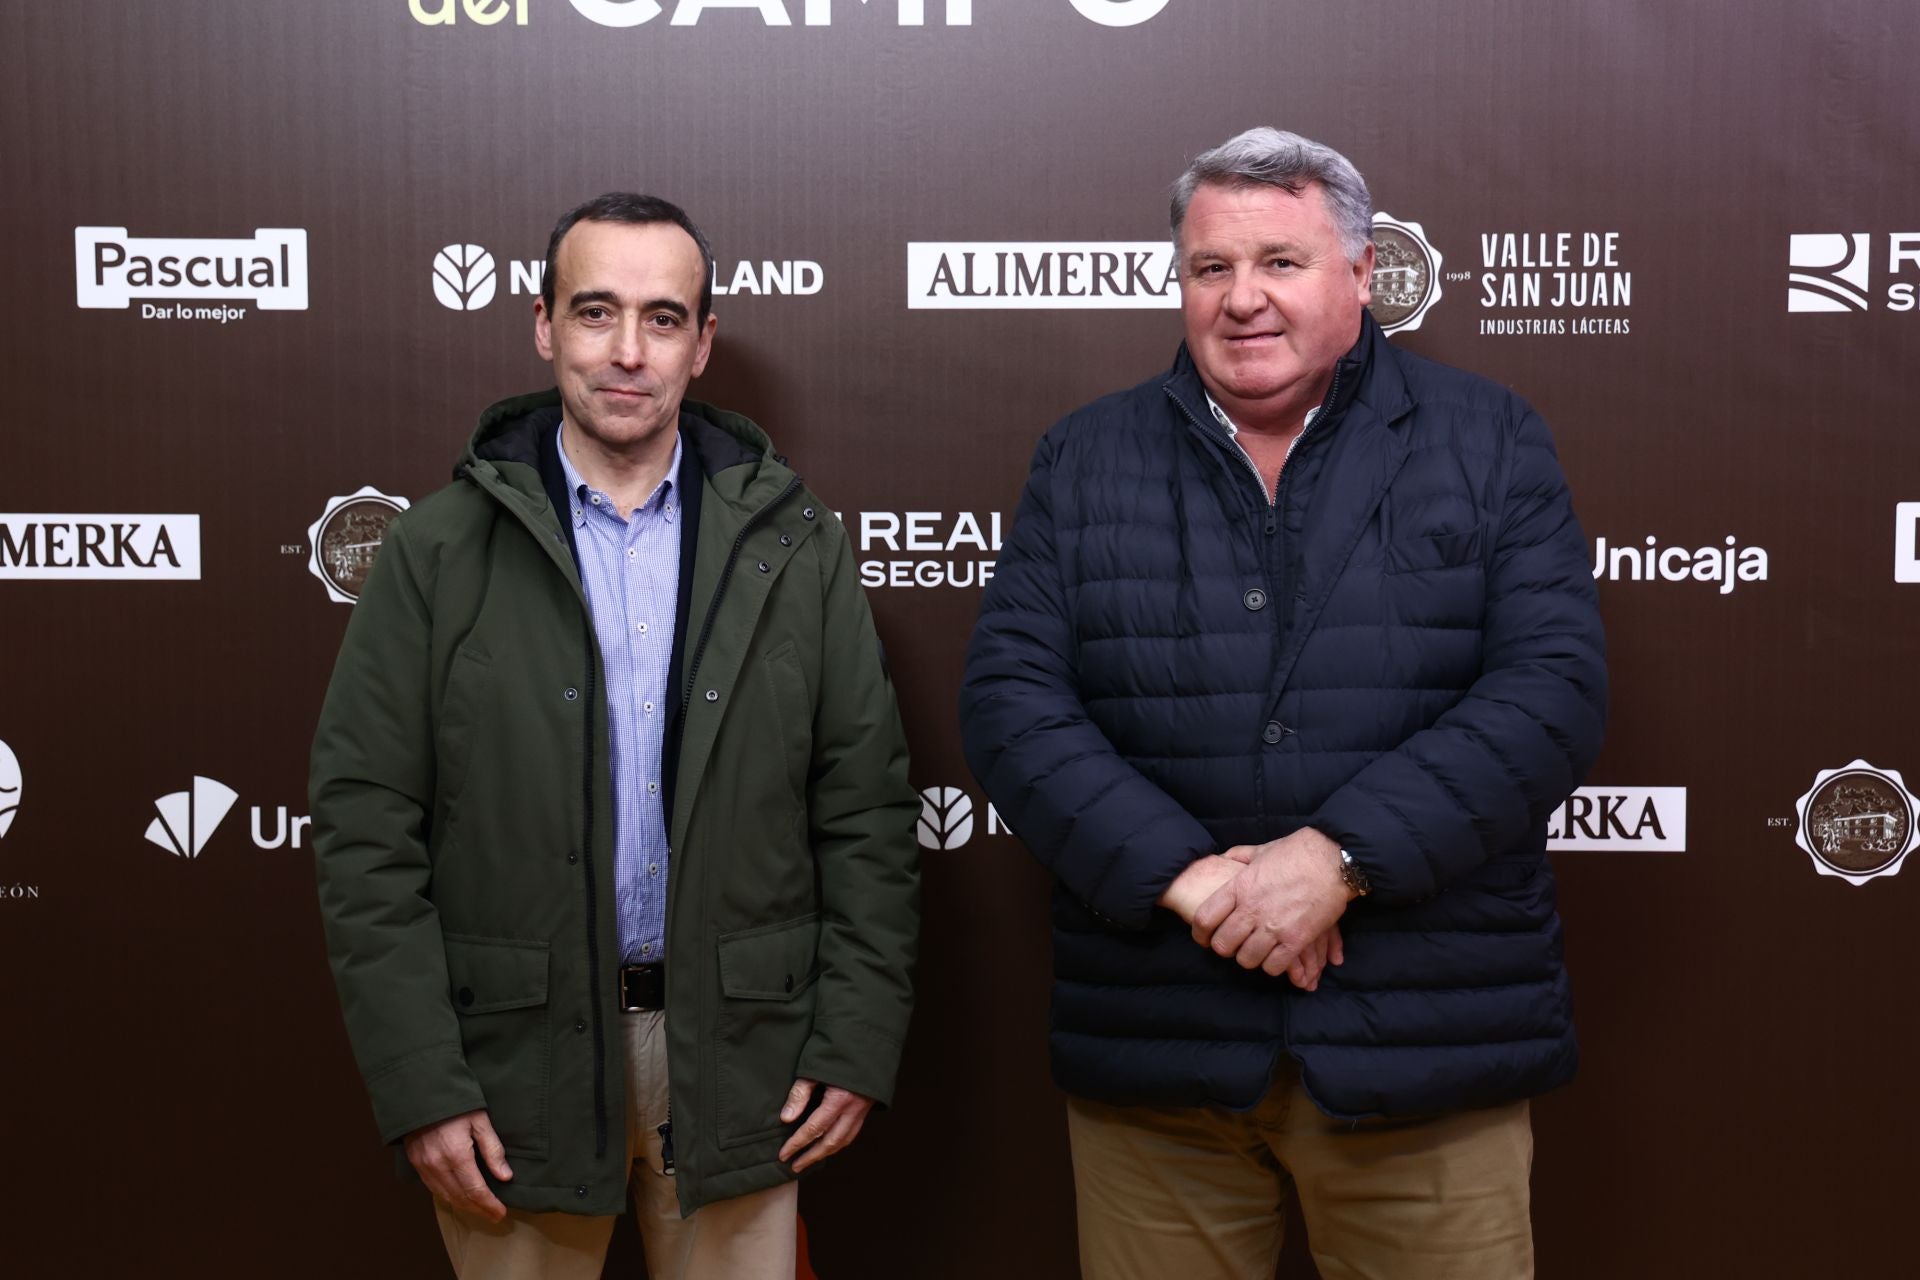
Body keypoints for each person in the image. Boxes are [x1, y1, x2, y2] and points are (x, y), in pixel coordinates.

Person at [960, 128, 1607, 1279]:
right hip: (1164, 1047)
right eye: (1211, 267)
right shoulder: (1084, 456)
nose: (1242, 297)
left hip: (1422, 1051)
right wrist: (1194, 880)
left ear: (1361, 272)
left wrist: (1338, 858)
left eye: (1280, 262)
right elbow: (1013, 704)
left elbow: (1550, 692)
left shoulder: (1490, 438)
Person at [311, 192, 920, 1280]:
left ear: (703, 343)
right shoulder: (436, 550)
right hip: (513, 1072)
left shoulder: (798, 545)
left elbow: (864, 811)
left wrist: (857, 1038)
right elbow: (365, 829)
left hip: (744, 1059)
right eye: (595, 312)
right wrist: (420, 1080)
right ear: (543, 326)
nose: (628, 351)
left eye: (662, 318)